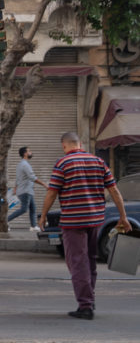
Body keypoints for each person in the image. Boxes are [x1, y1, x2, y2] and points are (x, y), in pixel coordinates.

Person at [39, 132, 132, 320]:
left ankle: (85, 306)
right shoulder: (98, 162)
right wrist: (123, 216)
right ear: (80, 144)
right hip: (95, 220)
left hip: (73, 222)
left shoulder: (63, 163)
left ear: (64, 146)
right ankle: (89, 296)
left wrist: (43, 216)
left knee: (77, 262)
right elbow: (114, 190)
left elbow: (51, 193)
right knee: (89, 259)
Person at [8, 146, 47, 232]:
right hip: (25, 191)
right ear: (25, 153)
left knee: (33, 208)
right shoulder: (25, 165)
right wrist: (44, 184)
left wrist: (15, 188)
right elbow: (32, 177)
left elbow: (18, 178)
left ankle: (33, 226)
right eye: (29, 151)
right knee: (24, 209)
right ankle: (5, 221)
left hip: (27, 190)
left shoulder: (21, 164)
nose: (31, 152)